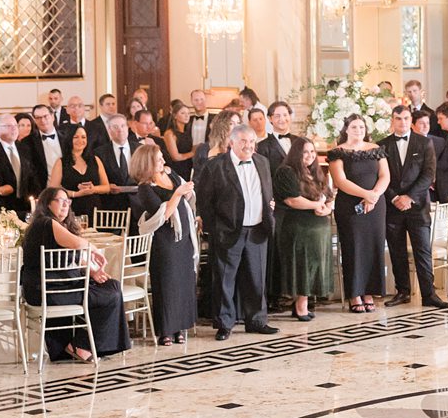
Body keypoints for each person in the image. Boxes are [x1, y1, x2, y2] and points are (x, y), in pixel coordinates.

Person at [21, 185, 132, 362]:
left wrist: (93, 271)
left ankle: (82, 344)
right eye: (60, 201)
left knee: (110, 286)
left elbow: (67, 258)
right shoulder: (46, 223)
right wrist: (94, 249)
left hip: (58, 286)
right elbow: (78, 244)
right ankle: (82, 345)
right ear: (47, 204)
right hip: (46, 290)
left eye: (68, 201)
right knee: (110, 293)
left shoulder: (57, 225)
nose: (66, 205)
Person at [195, 125, 277, 340]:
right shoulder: (215, 166)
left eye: (252, 141)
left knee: (256, 278)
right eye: (244, 141)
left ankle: (257, 320)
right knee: (224, 279)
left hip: (258, 228)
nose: (249, 145)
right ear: (231, 142)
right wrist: (215, 228)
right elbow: (205, 201)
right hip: (228, 230)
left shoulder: (262, 162)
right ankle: (224, 323)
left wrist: (269, 209)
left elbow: (266, 190)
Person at [378, 105, 446, 309]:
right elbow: (380, 177)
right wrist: (395, 198)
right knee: (397, 251)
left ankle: (429, 294)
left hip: (417, 205)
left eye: (406, 118)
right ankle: (403, 291)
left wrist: (409, 197)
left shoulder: (424, 143)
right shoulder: (382, 145)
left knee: (423, 250)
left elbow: (428, 174)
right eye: (398, 118)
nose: (402, 122)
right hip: (393, 206)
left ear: (411, 120)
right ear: (392, 120)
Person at [129, 144, 197, 346]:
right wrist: (177, 194)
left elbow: (187, 196)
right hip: (164, 241)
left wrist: (188, 192)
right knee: (167, 283)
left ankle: (181, 327)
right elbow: (163, 215)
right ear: (147, 162)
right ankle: (165, 330)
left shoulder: (172, 175)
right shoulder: (144, 188)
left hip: (184, 236)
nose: (163, 162)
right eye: (158, 159)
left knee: (183, 281)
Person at [329, 114, 390, 314]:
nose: (358, 130)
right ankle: (355, 294)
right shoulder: (338, 152)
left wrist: (374, 196)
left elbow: (385, 176)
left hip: (375, 207)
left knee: (374, 247)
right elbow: (340, 181)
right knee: (353, 248)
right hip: (350, 206)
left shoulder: (375, 149)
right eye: (354, 127)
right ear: (346, 129)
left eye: (361, 127)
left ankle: (369, 293)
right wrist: (366, 195)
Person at [273, 138, 335, 321]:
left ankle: (305, 303)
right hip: (299, 228)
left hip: (319, 228)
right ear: (296, 153)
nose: (309, 156)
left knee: (315, 266)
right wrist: (316, 205)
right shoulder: (286, 172)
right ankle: (300, 305)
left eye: (312, 152)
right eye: (305, 152)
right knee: (302, 267)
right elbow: (292, 200)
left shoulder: (316, 171)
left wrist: (327, 207)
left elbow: (329, 196)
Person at [53, 125, 109, 225]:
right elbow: (53, 189)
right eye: (76, 137)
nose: (80, 140)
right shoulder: (61, 162)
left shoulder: (95, 160)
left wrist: (93, 189)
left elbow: (106, 187)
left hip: (94, 209)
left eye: (83, 137)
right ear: (69, 139)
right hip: (71, 209)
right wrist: (76, 194)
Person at [0, 115, 29, 217]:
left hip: (25, 204)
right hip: (3, 206)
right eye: (8, 126)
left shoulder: (24, 147)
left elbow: (31, 175)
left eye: (15, 125)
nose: (14, 129)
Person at [22, 104, 64, 198]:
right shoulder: (27, 142)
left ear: (52, 116)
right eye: (38, 118)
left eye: (45, 116)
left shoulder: (67, 136)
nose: (42, 120)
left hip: (68, 189)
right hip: (43, 192)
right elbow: (30, 172)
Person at [94, 113, 140, 194]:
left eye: (123, 126)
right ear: (109, 130)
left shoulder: (140, 149)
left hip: (139, 199)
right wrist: (107, 186)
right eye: (115, 127)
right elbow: (97, 179)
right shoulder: (99, 153)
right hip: (112, 201)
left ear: (127, 127)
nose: (120, 130)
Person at [256, 101, 305, 172]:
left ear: (290, 116)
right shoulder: (262, 147)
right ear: (270, 118)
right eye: (277, 116)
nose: (282, 119)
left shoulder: (300, 142)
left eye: (285, 115)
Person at [161, 104, 194, 181]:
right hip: (176, 170)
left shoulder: (187, 132)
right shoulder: (170, 133)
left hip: (187, 168)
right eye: (183, 113)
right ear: (175, 116)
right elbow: (175, 157)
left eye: (188, 113)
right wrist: (193, 153)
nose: (186, 116)